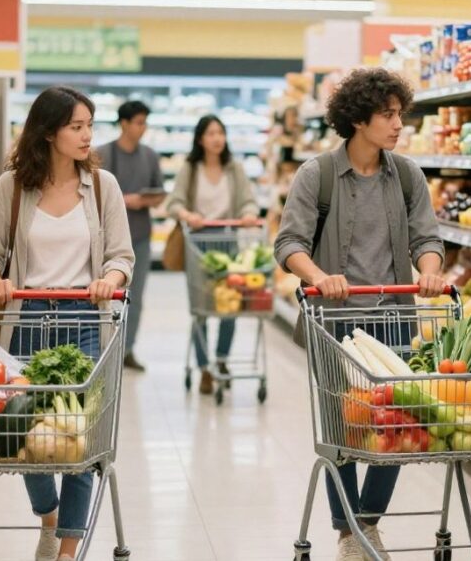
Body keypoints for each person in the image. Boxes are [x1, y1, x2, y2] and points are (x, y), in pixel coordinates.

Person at [273, 68, 444, 561]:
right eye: (387, 115)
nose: (397, 125)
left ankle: (366, 522)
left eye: (400, 114)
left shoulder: (407, 174)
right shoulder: (317, 175)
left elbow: (426, 239)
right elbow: (288, 244)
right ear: (358, 119)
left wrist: (429, 270)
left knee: (396, 427)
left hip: (393, 318)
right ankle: (348, 532)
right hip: (336, 322)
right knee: (343, 428)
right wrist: (318, 275)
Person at [0, 85, 135, 561]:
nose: (87, 136)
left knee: (77, 438)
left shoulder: (103, 188)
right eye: (76, 127)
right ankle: (48, 515)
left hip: (85, 320)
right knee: (28, 437)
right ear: (48, 133)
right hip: (25, 320)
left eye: (90, 126)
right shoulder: (13, 188)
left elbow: (122, 254)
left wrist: (110, 277)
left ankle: (66, 550)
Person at [166, 115, 260, 394]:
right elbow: (175, 203)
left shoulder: (235, 169)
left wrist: (248, 215)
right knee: (201, 310)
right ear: (200, 139)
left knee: (229, 306)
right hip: (198, 244)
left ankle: (221, 360)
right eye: (211, 133)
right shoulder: (190, 169)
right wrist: (187, 215)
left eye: (220, 132)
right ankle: (204, 367)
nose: (217, 138)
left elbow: (249, 202)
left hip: (228, 242)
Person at [97, 100, 163, 372]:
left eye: (145, 122)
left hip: (140, 236)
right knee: (107, 296)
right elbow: (94, 196)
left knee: (135, 298)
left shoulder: (150, 156)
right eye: (138, 122)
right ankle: (105, 348)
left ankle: (128, 349)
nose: (142, 128)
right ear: (123, 123)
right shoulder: (102, 154)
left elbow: (159, 195)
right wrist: (126, 200)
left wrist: (146, 200)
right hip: (107, 241)